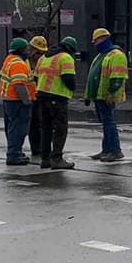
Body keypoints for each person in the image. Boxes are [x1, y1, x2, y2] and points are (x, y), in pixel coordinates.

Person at [84, 28, 127, 162]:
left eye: (96, 40)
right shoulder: (101, 55)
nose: (95, 43)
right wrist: (88, 96)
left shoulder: (116, 55)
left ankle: (115, 150)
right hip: (99, 96)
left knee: (109, 122)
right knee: (105, 123)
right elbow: (92, 77)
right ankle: (107, 150)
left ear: (103, 39)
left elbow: (118, 76)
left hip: (106, 96)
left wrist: (111, 93)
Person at [35, 36, 79, 169]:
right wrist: (72, 88)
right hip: (57, 97)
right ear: (70, 48)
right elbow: (68, 79)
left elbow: (36, 77)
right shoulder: (66, 58)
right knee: (60, 129)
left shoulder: (43, 58)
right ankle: (57, 158)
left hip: (42, 96)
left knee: (46, 128)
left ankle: (45, 159)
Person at [0, 37, 34, 166]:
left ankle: (15, 152)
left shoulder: (9, 60)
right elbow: (19, 85)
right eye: (26, 49)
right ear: (21, 50)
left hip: (9, 99)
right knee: (18, 129)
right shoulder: (18, 63)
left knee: (12, 128)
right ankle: (13, 154)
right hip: (17, 100)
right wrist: (27, 100)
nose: (28, 51)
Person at [26, 36, 48, 162]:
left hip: (40, 96)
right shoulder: (25, 62)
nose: (40, 55)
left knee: (41, 124)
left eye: (43, 53)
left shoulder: (44, 61)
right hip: (30, 97)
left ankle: (41, 147)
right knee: (34, 125)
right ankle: (36, 148)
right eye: (39, 53)